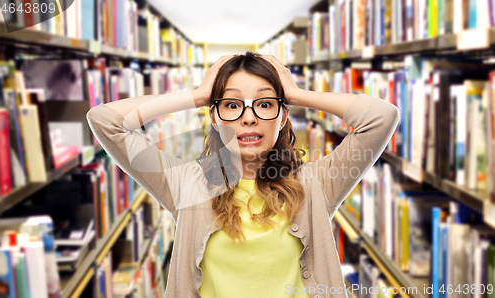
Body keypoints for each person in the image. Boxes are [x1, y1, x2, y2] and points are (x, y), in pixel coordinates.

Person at [86, 52, 399, 298]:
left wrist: (294, 92)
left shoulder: (315, 185)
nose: (249, 118)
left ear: (283, 114)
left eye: (264, 104)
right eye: (232, 105)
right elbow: (105, 121)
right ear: (214, 115)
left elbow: (380, 117)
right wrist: (197, 96)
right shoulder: (188, 184)